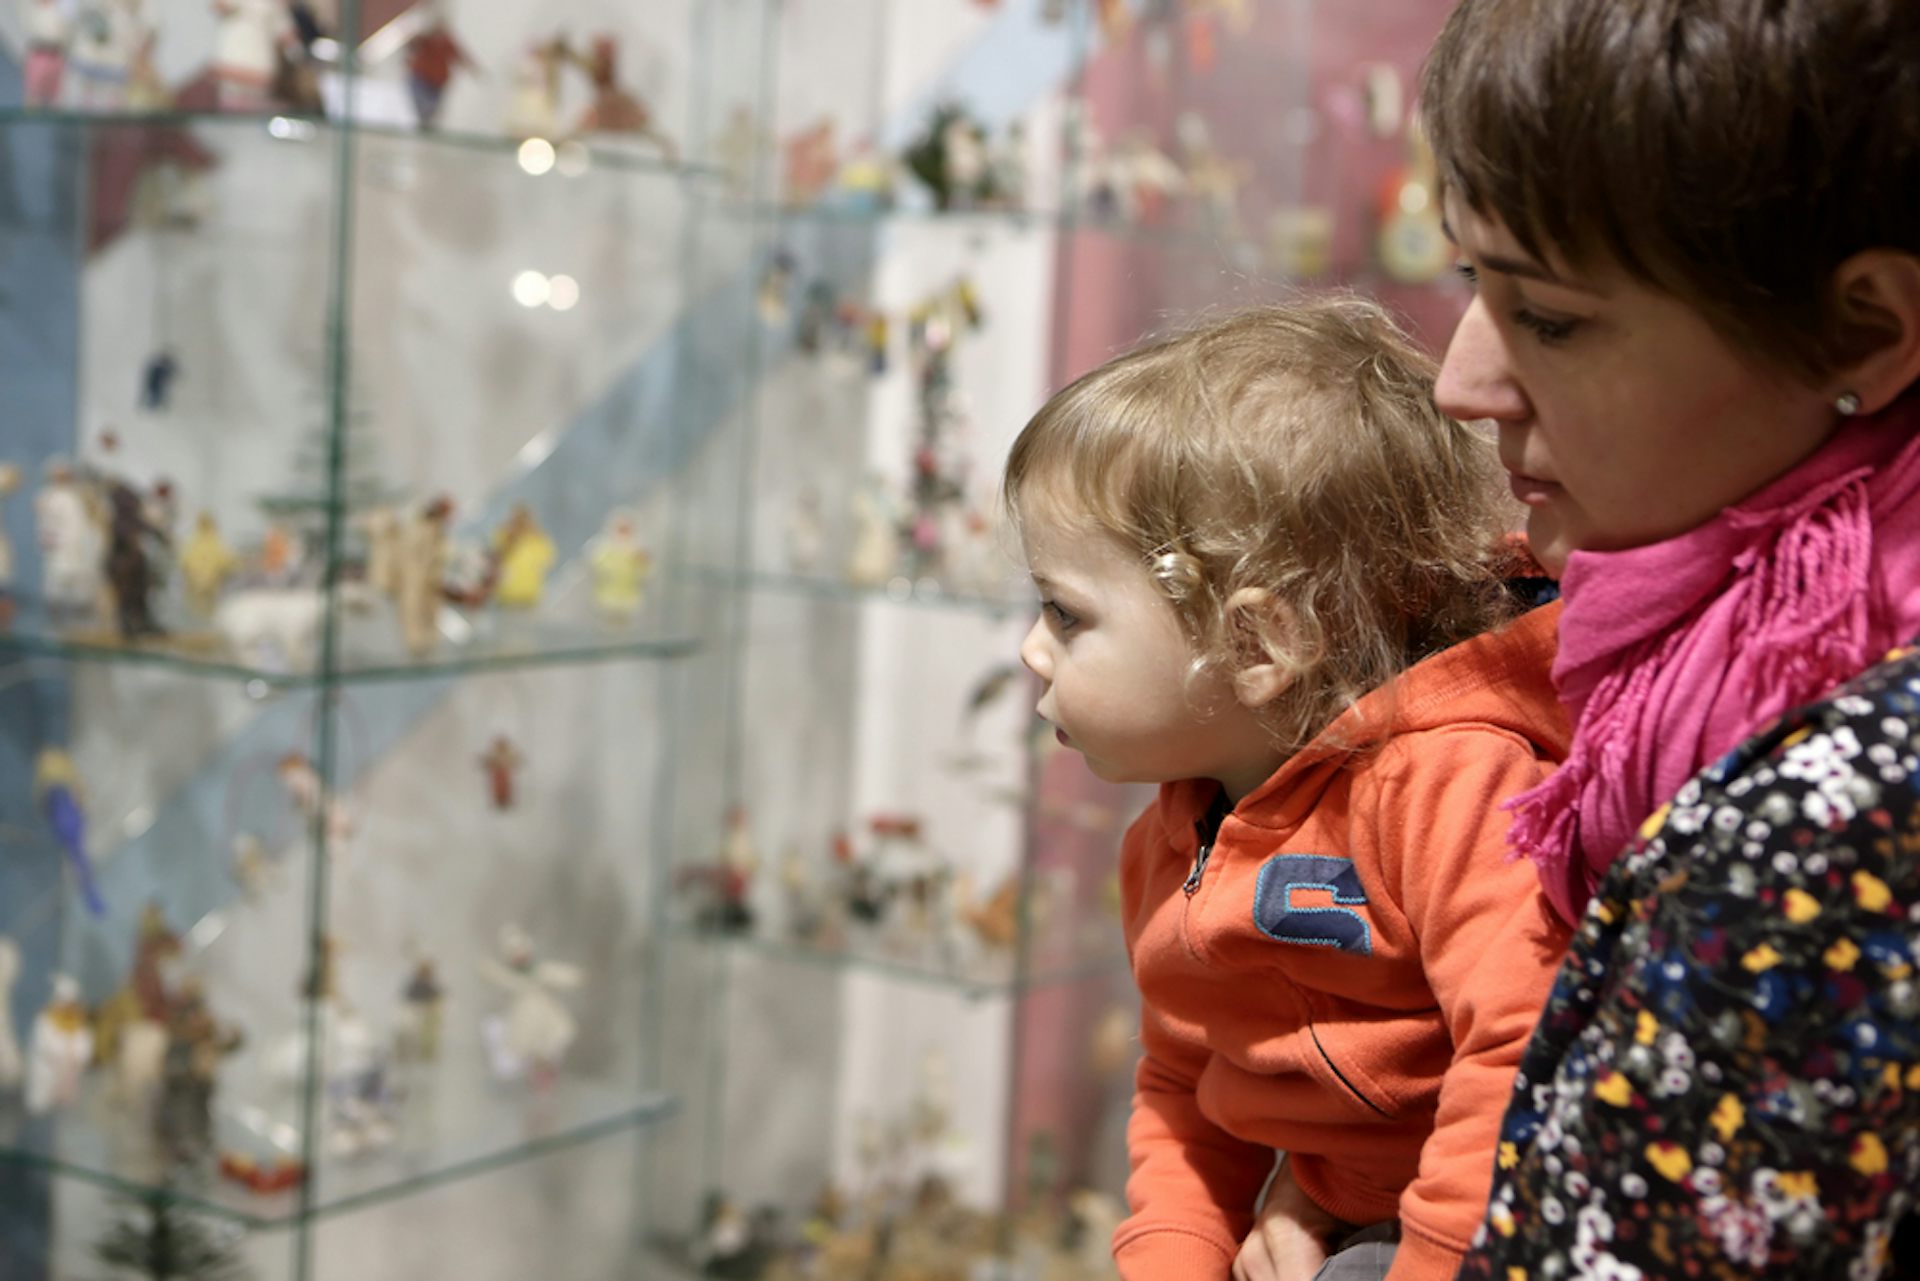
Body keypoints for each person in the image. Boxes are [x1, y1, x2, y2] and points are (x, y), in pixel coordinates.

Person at [1400, 0, 1920, 1276]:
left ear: (1862, 328)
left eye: (1553, 318)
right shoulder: (1674, 633)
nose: (1461, 384)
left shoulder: (1842, 799)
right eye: (1476, 282)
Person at [1004, 298, 1571, 1281]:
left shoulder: (1448, 788)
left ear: (1260, 644)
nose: (1031, 651)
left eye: (1066, 613)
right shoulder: (1175, 833)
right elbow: (1186, 1088)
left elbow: (1522, 1053)